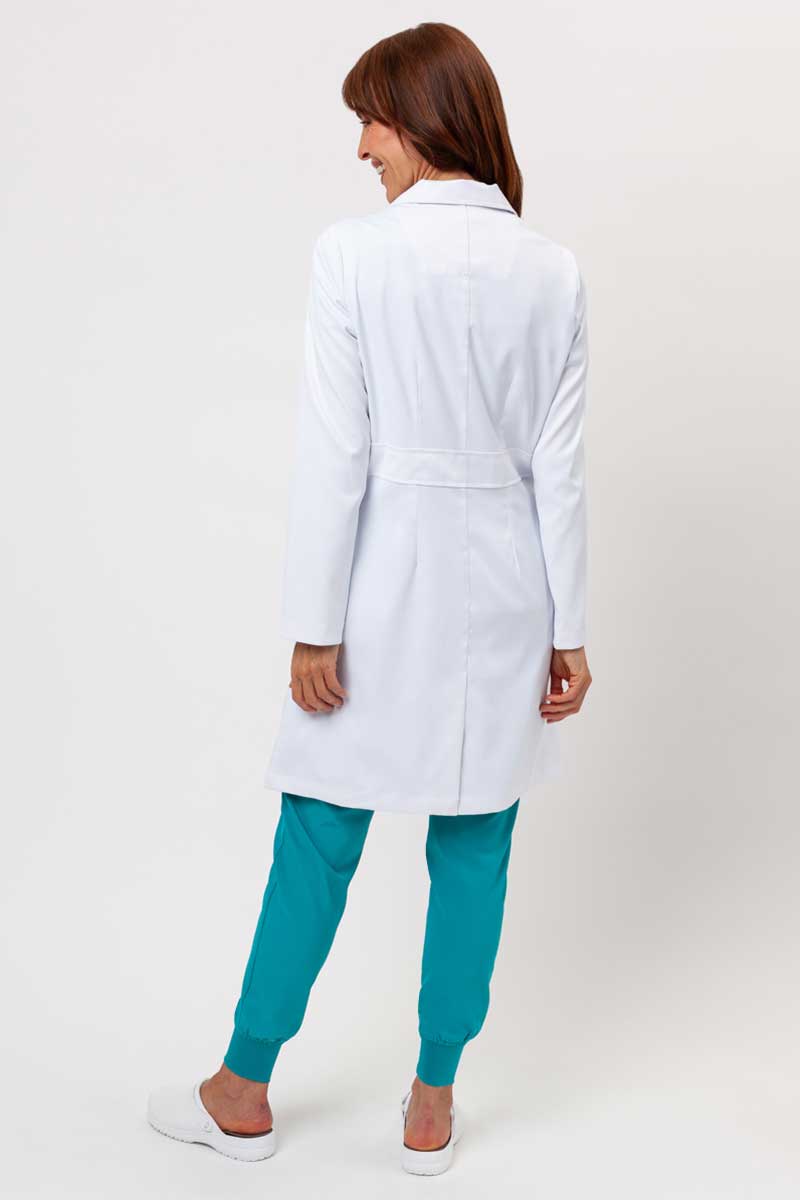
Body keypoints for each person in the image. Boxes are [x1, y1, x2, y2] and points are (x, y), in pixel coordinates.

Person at [147, 21, 593, 1176]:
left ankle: (242, 1087)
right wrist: (569, 630)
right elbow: (558, 469)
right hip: (509, 596)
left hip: (382, 588)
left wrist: (314, 624)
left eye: (373, 120)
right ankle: (431, 1103)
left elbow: (335, 450)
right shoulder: (551, 270)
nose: (360, 148)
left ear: (426, 119)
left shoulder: (354, 254)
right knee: (476, 847)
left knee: (316, 835)